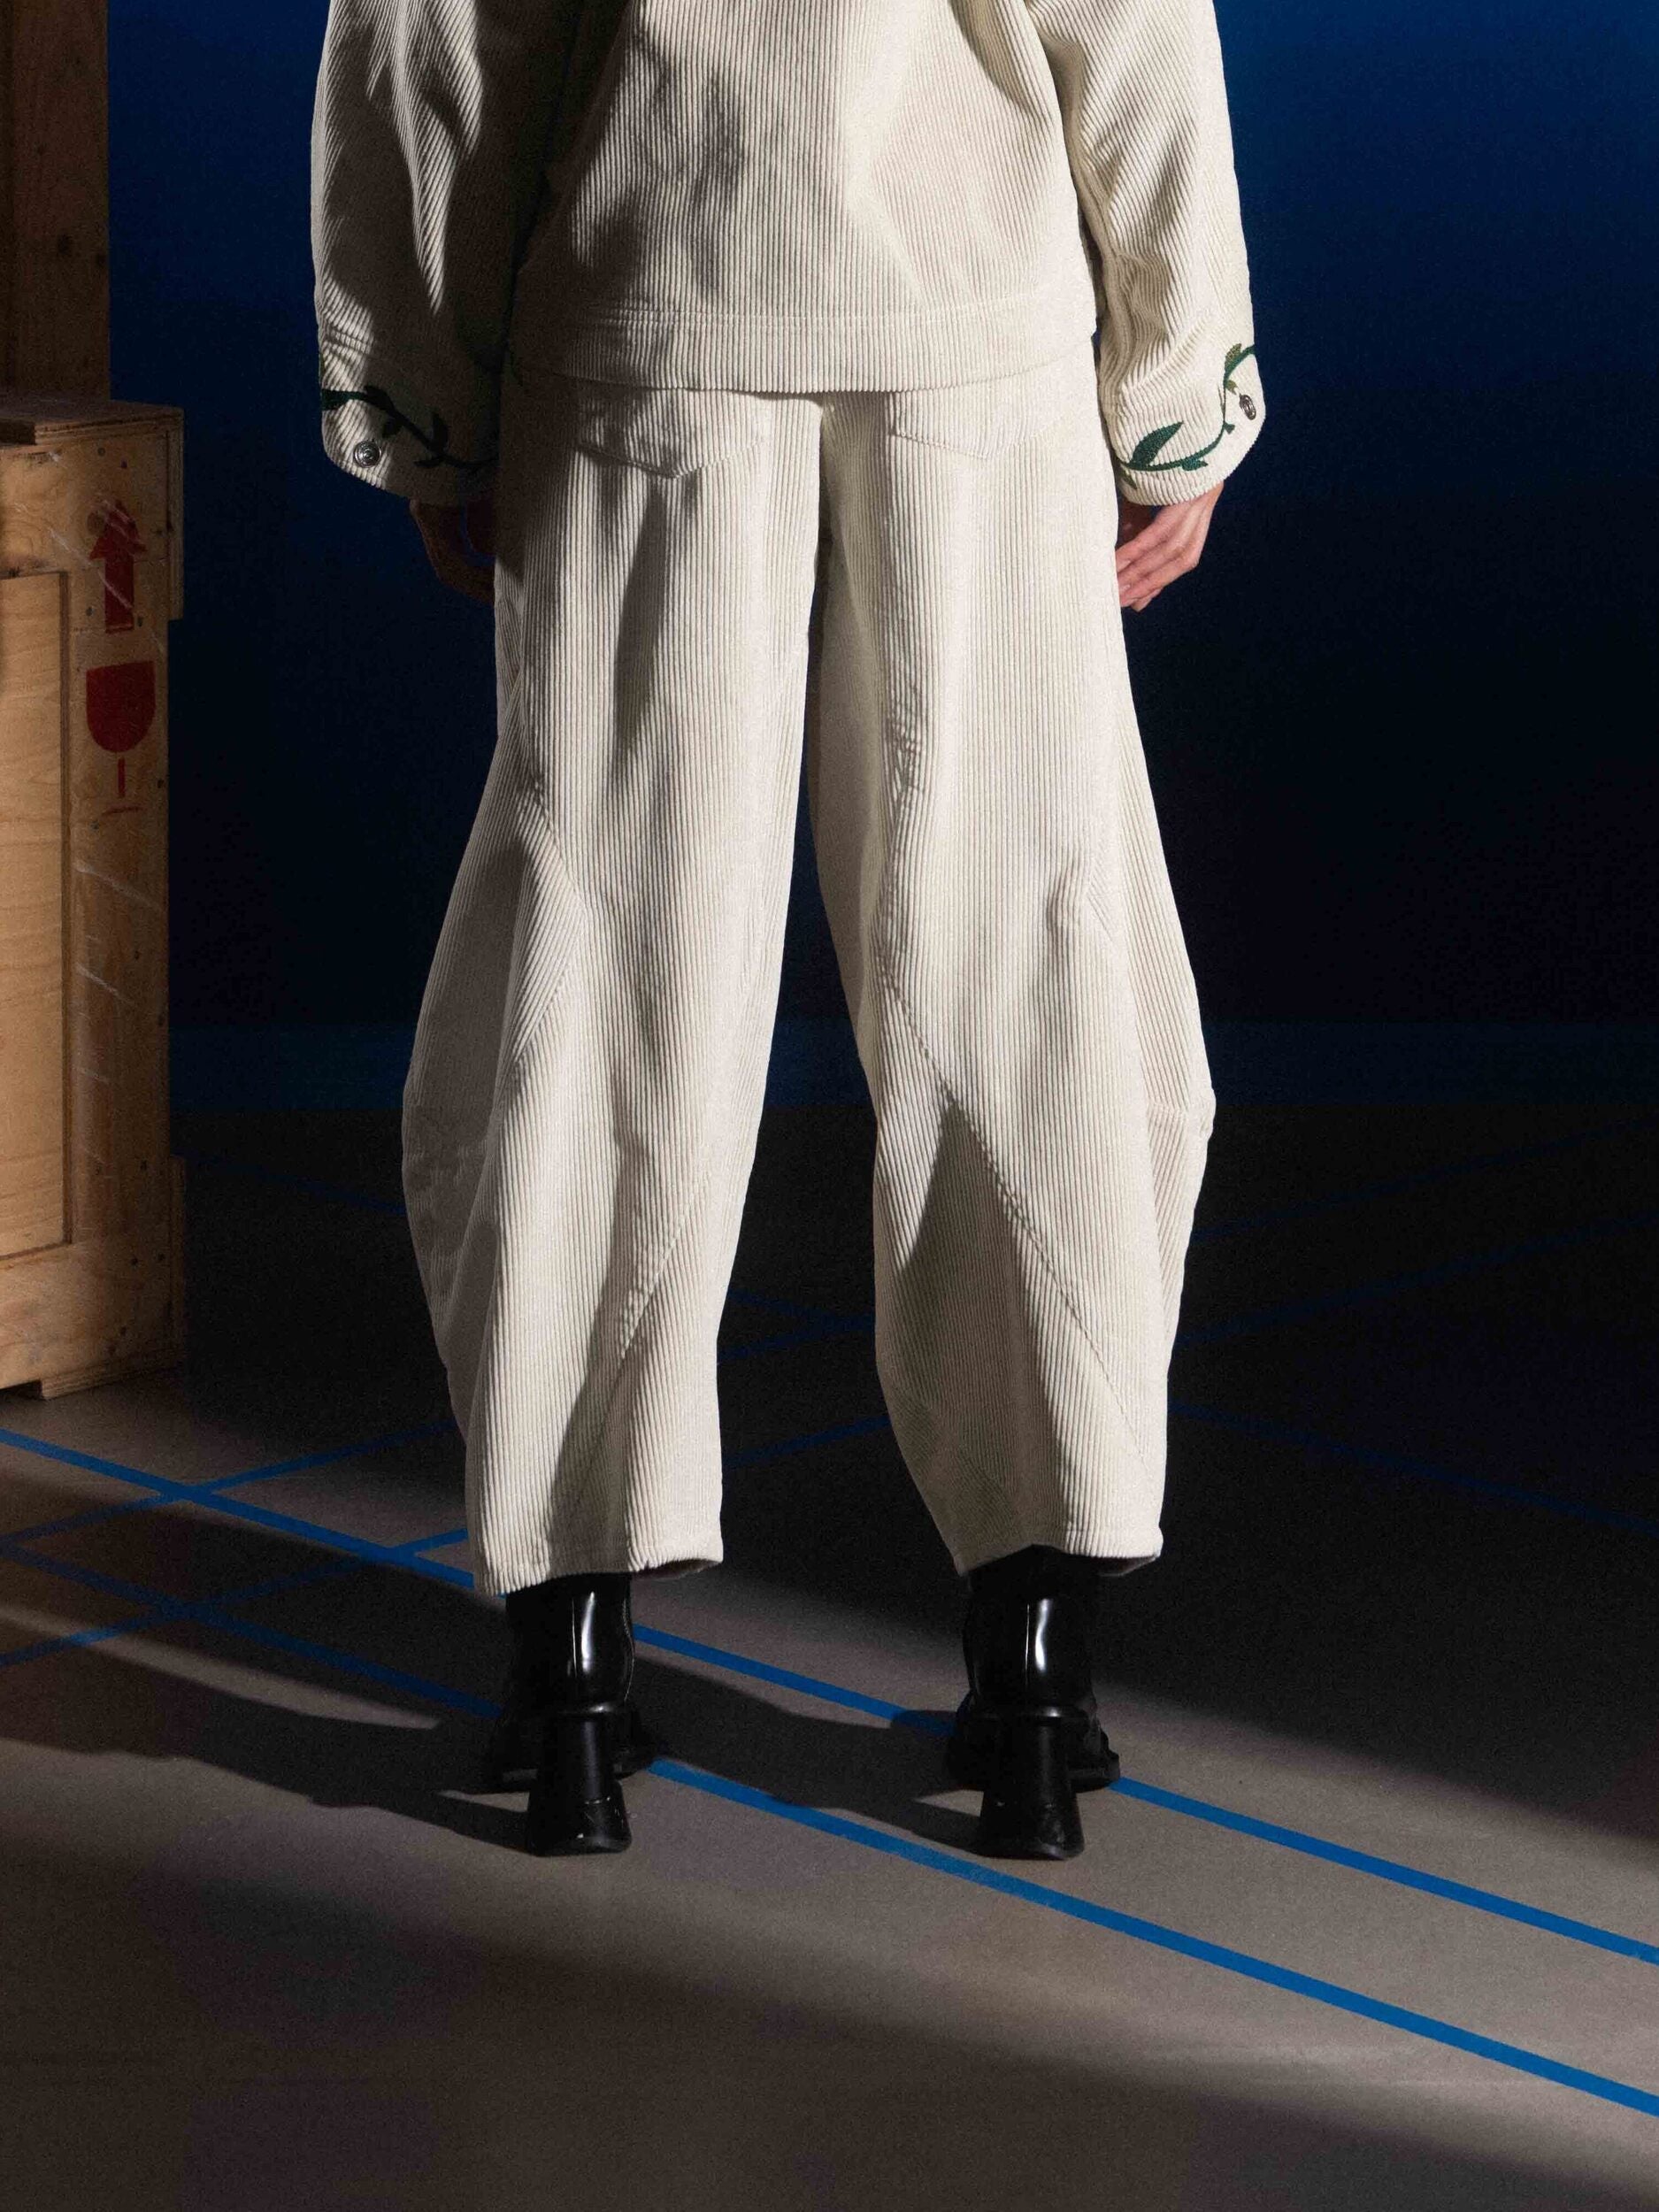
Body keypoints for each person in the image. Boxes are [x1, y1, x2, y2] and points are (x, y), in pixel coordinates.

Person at [311, 0, 1265, 1862]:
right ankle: (1034, 1663)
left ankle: (571, 1659)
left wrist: (424, 402)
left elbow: (434, 35)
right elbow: (1132, 27)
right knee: (1028, 963)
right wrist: (1178, 397)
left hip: (643, 319)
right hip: (974, 337)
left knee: (594, 976)